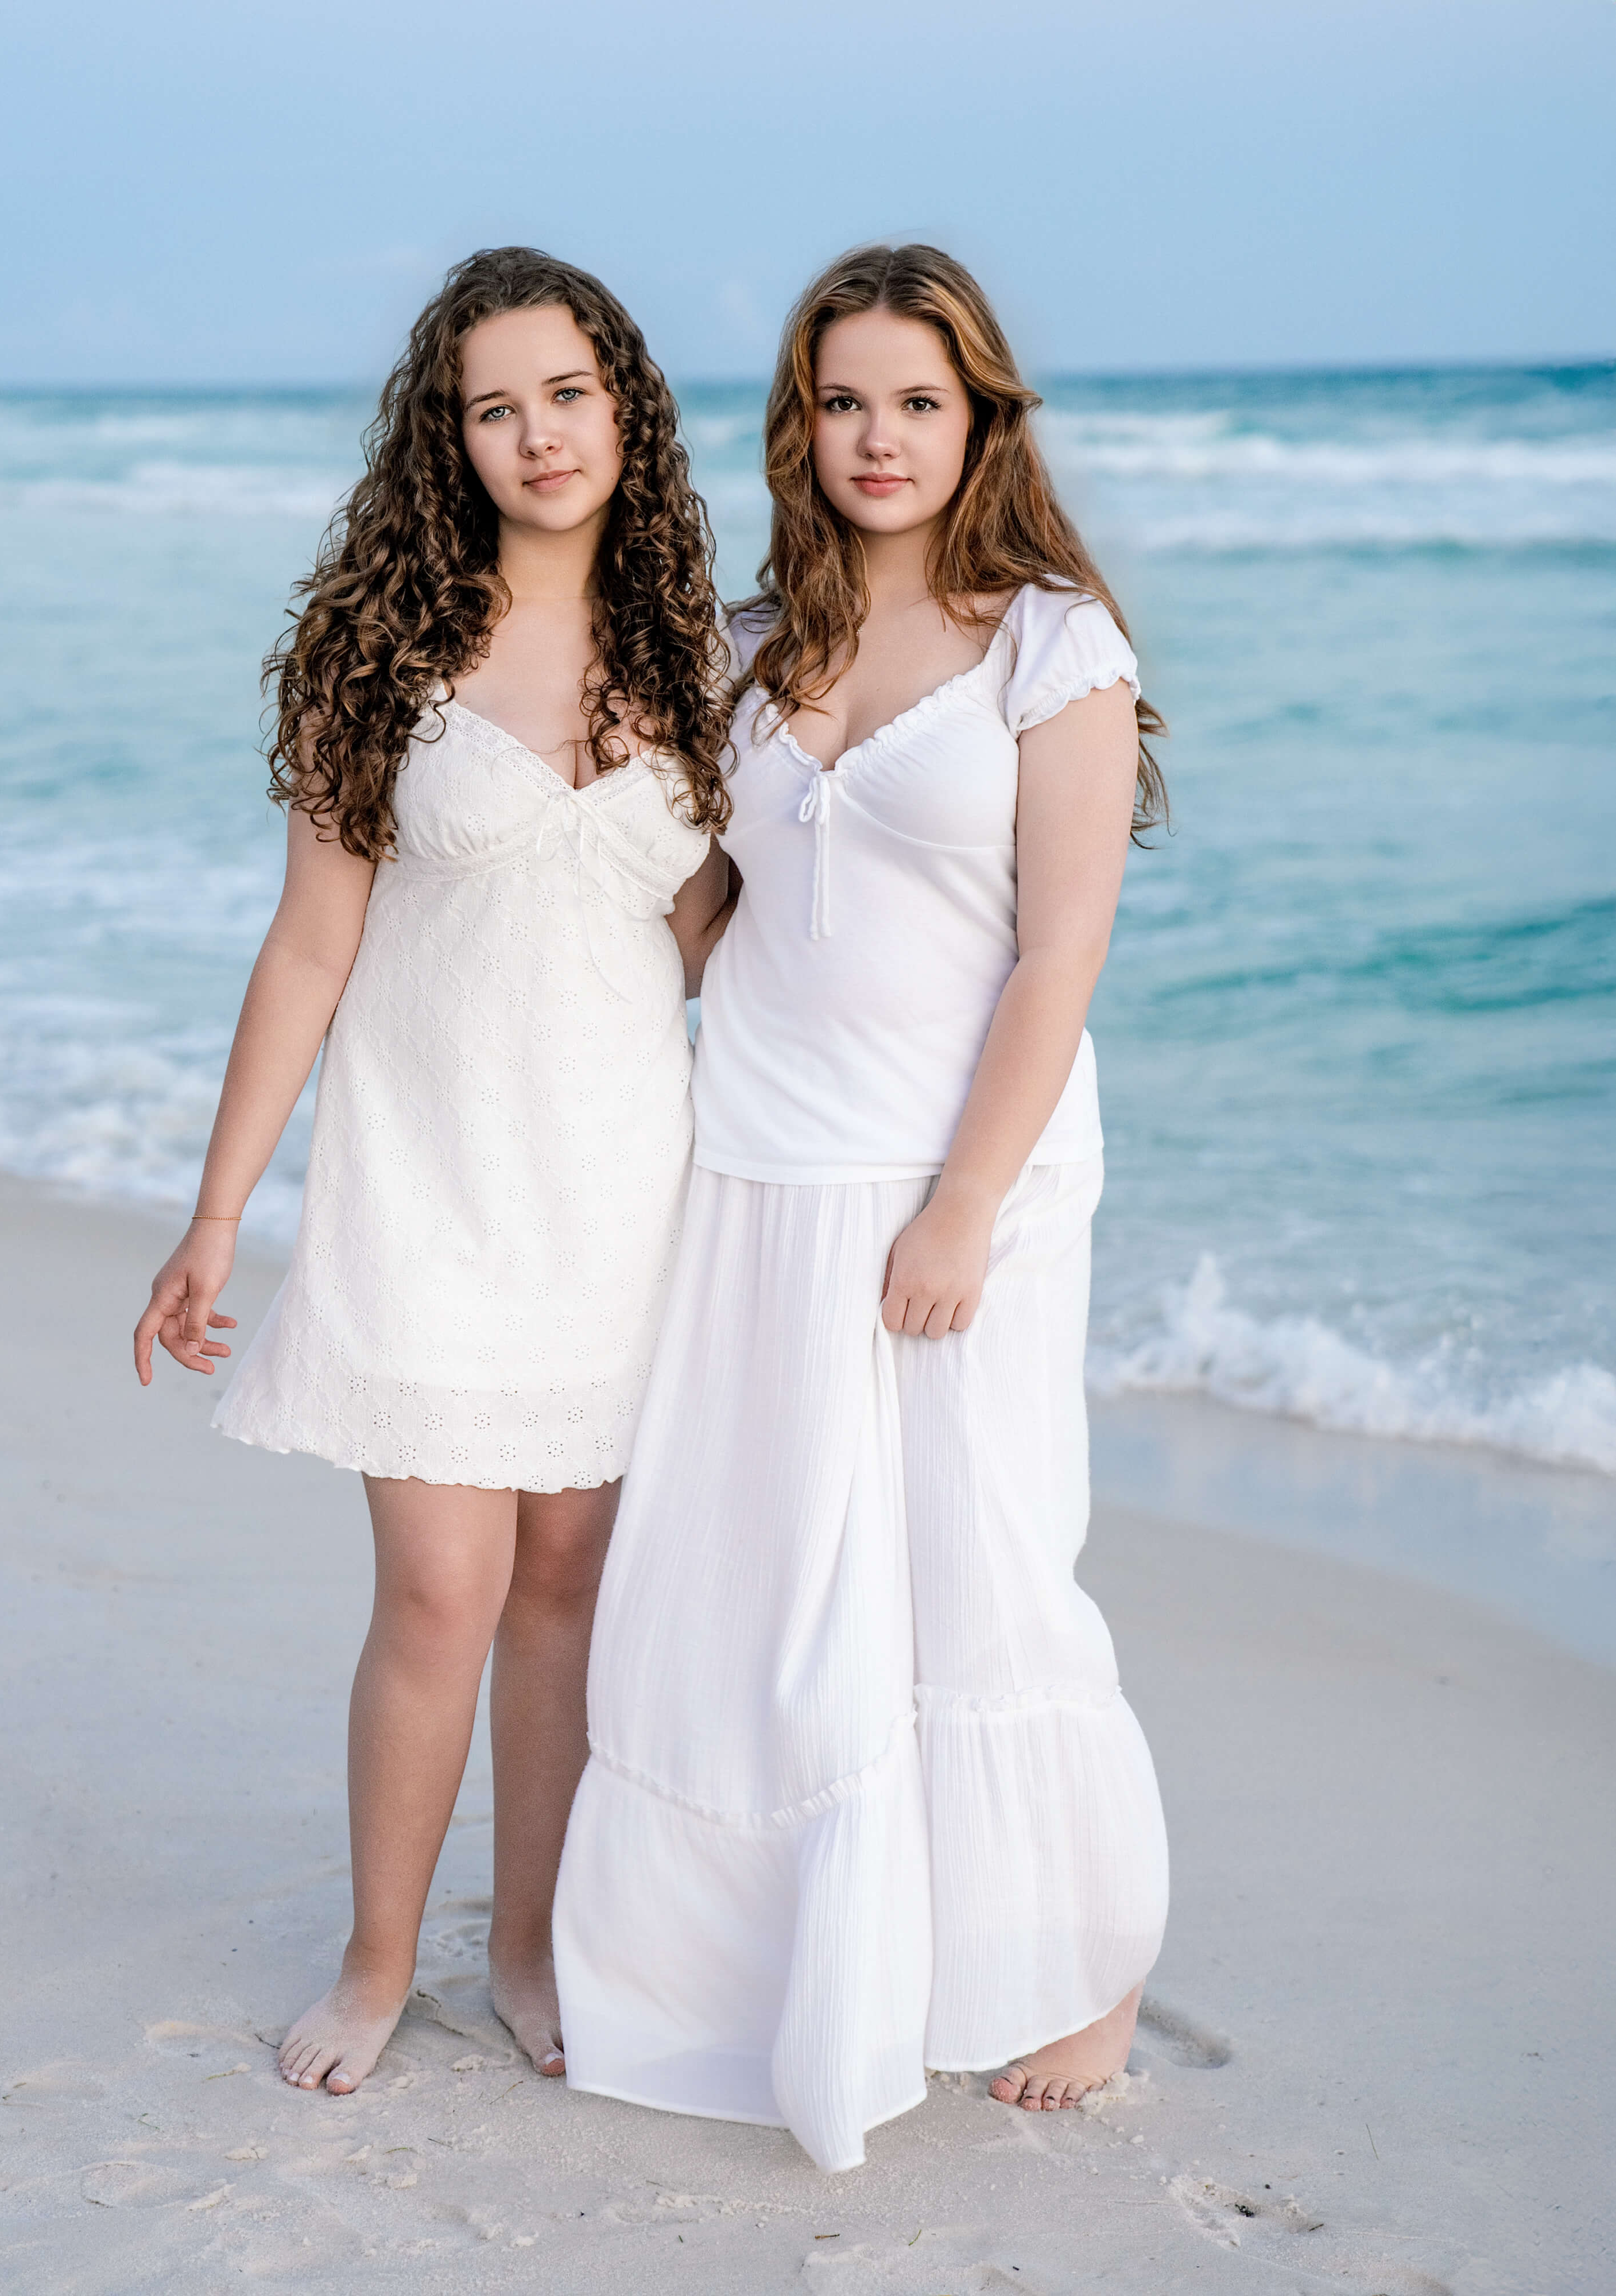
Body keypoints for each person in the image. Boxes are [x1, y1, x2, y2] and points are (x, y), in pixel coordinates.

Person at [554, 243, 1172, 2173]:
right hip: (752, 1161)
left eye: (916, 399)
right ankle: (742, 1966)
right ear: (797, 424)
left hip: (953, 1175)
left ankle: (1085, 1970)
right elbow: (712, 919)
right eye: (842, 402)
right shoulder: (751, 642)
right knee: (752, 1583)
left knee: (980, 1557)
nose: (877, 437)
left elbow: (1057, 953)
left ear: (978, 414)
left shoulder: (1048, 642)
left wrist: (963, 1202)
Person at [133, 246, 733, 2098]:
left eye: (566, 392)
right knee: (438, 1595)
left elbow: (721, 946)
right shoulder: (379, 655)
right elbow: (308, 950)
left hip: (626, 1194)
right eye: (495, 406)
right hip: (428, 1186)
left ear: (621, 403)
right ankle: (379, 1958)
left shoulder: (701, 659)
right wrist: (220, 1209)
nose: (538, 433)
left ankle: (531, 1956)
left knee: (570, 1589)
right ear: (447, 439)